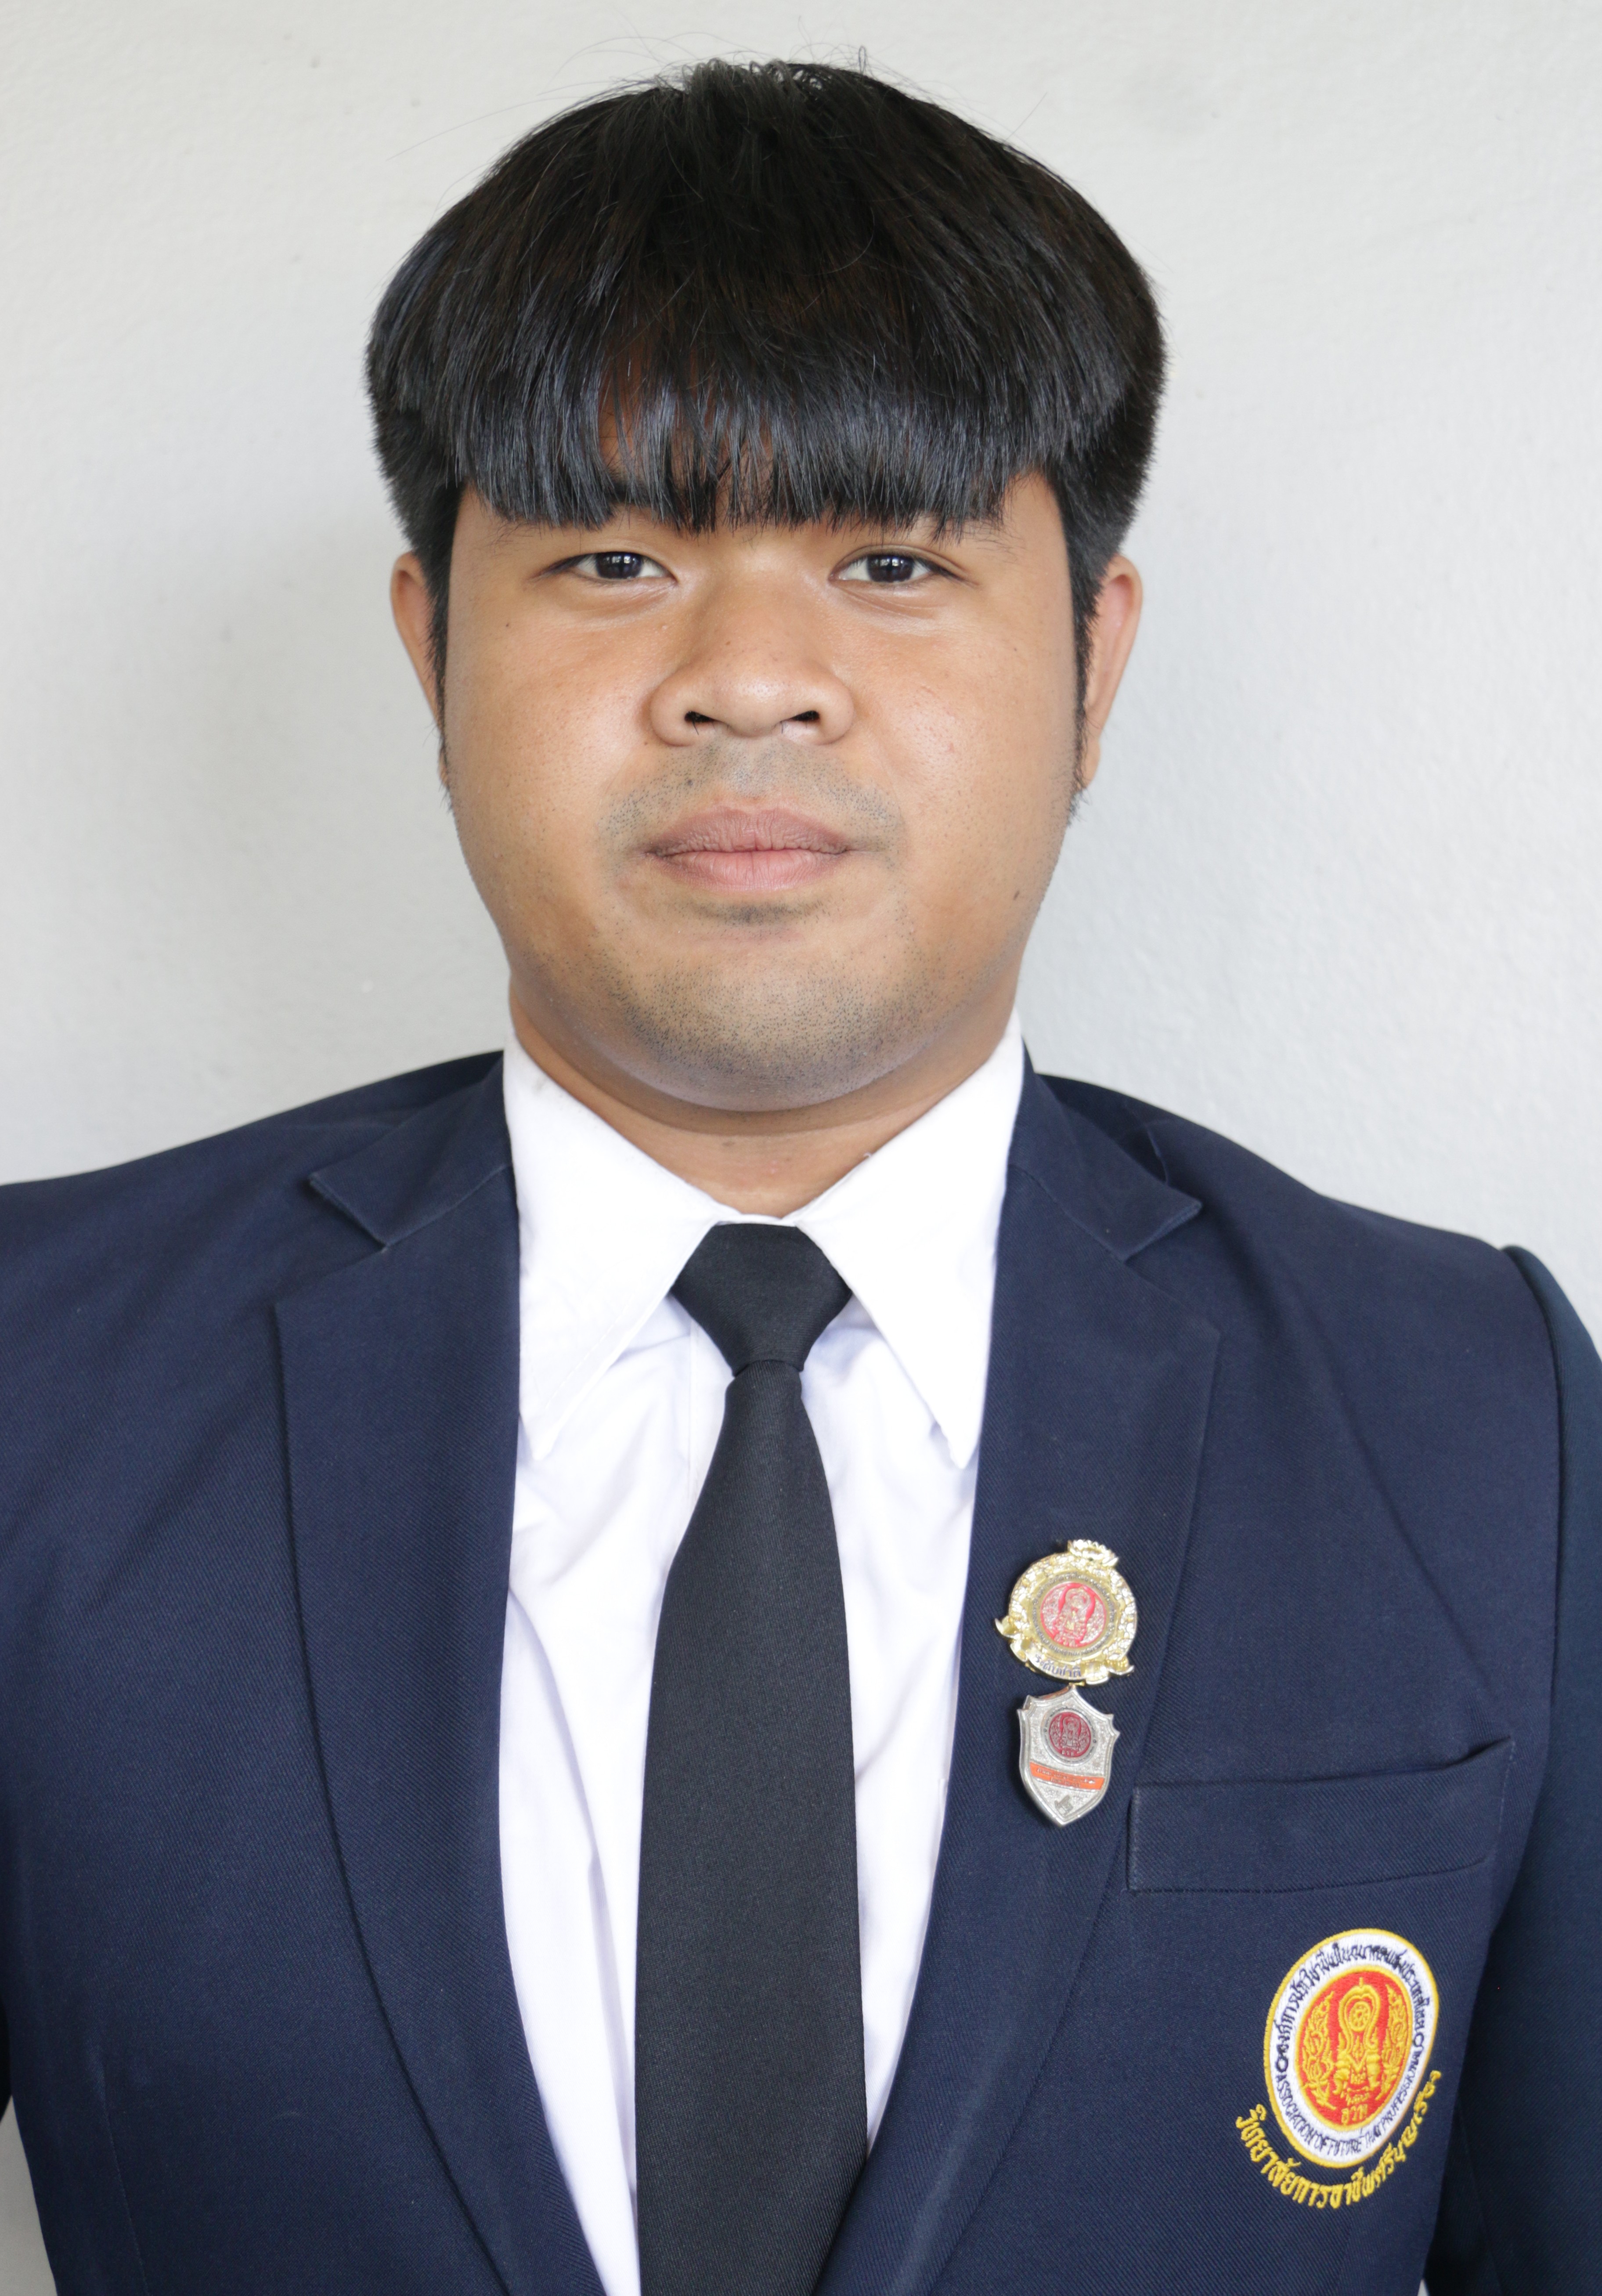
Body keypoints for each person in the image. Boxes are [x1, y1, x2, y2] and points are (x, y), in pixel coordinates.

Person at [0, 57, 1594, 2296]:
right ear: (433, 649)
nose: (749, 681)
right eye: (615, 558)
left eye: (892, 558)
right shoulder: (42, 1376)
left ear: (1093, 660)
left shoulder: (1473, 1413)